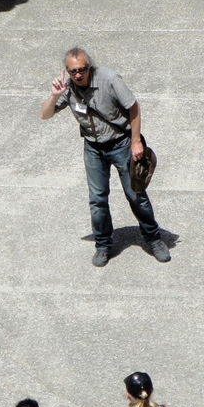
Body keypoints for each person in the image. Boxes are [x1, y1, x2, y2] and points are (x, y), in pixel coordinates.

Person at [40, 47, 170, 267]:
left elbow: (133, 107)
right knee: (97, 200)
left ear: (89, 67)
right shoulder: (68, 88)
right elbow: (44, 115)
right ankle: (103, 244)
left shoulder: (109, 79)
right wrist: (54, 95)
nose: (78, 75)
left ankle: (153, 238)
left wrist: (136, 142)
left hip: (121, 143)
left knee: (136, 194)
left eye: (82, 69)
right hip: (93, 148)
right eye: (73, 71)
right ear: (67, 71)